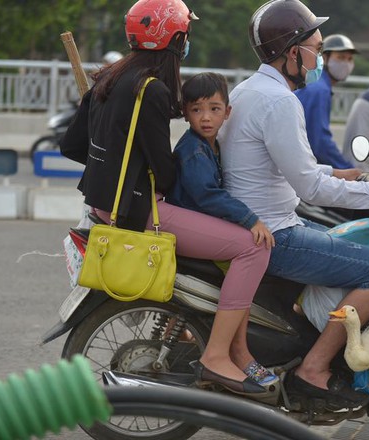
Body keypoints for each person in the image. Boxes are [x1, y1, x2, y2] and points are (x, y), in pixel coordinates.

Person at [218, 0, 369, 411]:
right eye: (315, 47)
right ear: (291, 51)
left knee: (347, 249)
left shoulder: (249, 89)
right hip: (276, 234)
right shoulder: (280, 101)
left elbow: (290, 166)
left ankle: (302, 347)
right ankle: (313, 369)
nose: (320, 58)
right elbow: (312, 189)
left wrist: (341, 172)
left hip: (264, 223)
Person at [60, 0, 269, 396]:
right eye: (185, 35)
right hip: (138, 210)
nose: (186, 42)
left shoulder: (109, 77)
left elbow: (71, 146)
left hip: (104, 205)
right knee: (250, 247)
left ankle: (216, 340)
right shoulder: (150, 89)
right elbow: (166, 169)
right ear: (175, 39)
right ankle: (219, 355)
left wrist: (113, 159)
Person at [165, 72, 278, 388]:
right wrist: (250, 219)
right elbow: (206, 195)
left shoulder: (209, 146)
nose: (205, 117)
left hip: (200, 225)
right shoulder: (193, 149)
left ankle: (222, 345)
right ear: (185, 112)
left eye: (214, 109)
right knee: (252, 252)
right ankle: (237, 351)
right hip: (190, 227)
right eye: (197, 109)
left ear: (228, 112)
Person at [294, 34, 357, 169]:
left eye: (349, 59)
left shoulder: (317, 84)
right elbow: (320, 142)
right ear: (325, 58)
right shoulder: (319, 89)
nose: (345, 63)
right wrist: (347, 168)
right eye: (340, 57)